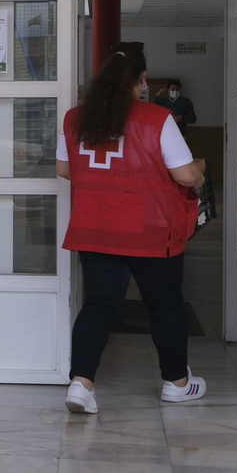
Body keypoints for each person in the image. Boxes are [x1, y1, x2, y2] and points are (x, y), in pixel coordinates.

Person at [57, 42, 208, 415]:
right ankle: (177, 384)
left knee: (98, 305)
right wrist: (201, 176)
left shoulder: (75, 117)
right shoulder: (158, 119)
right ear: (142, 79)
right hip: (151, 229)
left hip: (96, 225)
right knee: (165, 304)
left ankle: (81, 384)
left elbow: (64, 170)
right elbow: (185, 175)